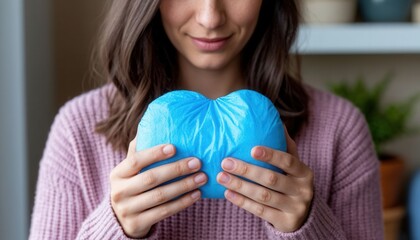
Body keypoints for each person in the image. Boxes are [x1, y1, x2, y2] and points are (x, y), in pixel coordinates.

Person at [29, 0, 384, 239]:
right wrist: (116, 226)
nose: (210, 17)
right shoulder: (78, 129)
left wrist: (306, 225)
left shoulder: (339, 129)